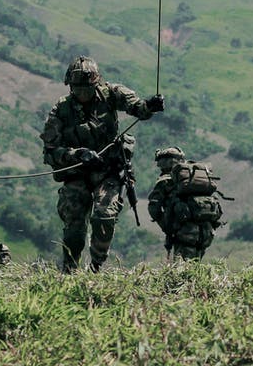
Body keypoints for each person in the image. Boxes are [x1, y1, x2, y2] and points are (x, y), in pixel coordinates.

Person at [40, 56, 164, 272]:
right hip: (76, 175)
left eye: (87, 88)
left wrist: (150, 106)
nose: (82, 93)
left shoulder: (111, 93)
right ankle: (69, 272)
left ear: (96, 84)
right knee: (74, 231)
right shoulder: (61, 110)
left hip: (107, 171)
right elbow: (50, 152)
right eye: (77, 88)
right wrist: (77, 154)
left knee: (105, 216)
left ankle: (95, 267)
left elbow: (138, 108)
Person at [147, 146, 223, 260]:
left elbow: (154, 208)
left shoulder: (165, 181)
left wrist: (168, 227)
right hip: (206, 232)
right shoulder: (194, 177)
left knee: (182, 271)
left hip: (185, 233)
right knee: (195, 268)